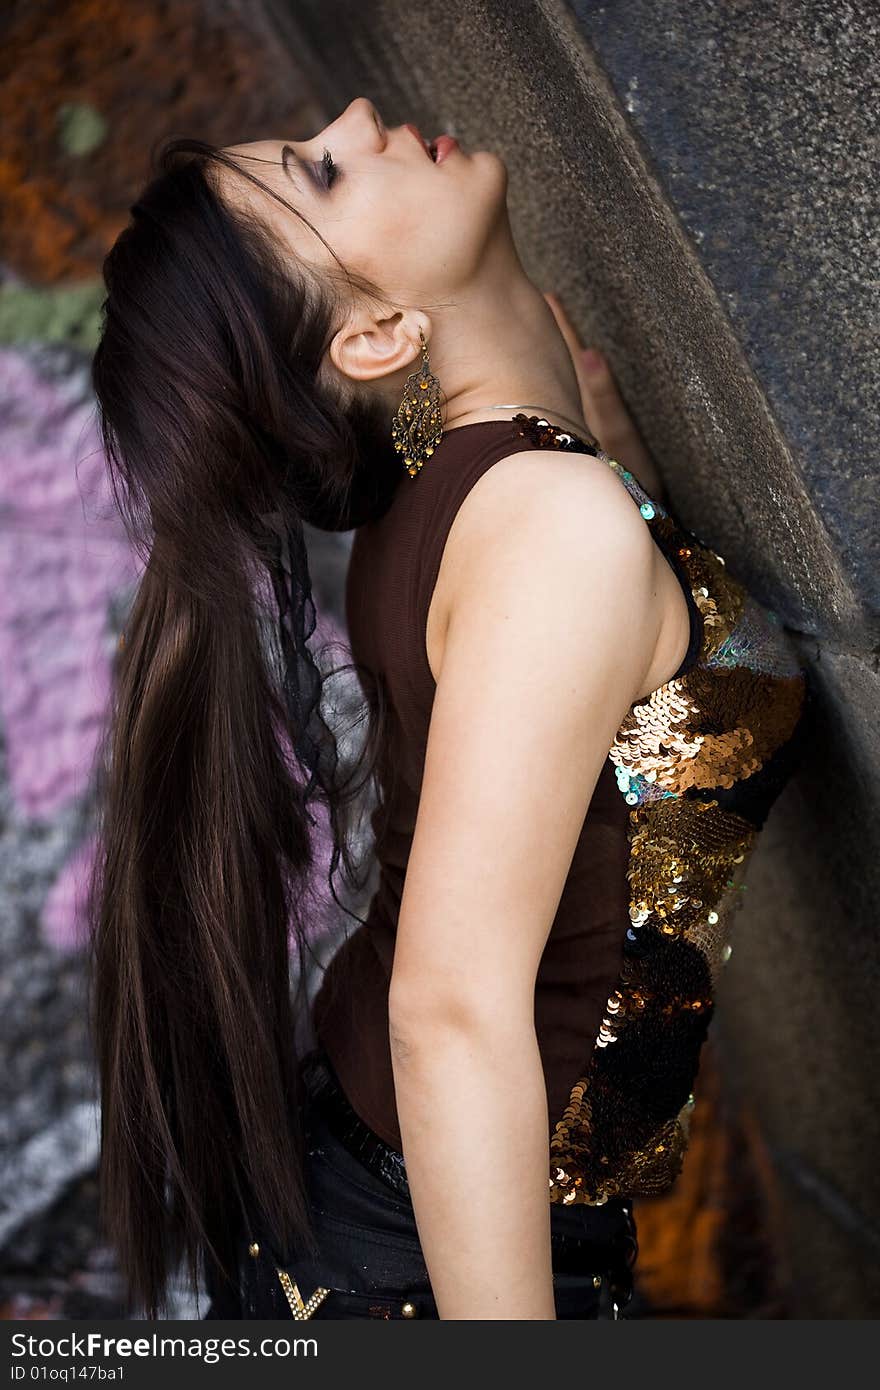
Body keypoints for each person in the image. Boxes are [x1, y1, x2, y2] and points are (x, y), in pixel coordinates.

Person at [87, 97, 809, 1321]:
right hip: (455, 1257)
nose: (360, 113)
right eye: (323, 170)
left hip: (388, 1201)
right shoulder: (545, 525)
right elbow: (448, 1008)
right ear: (374, 335)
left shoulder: (466, 471)